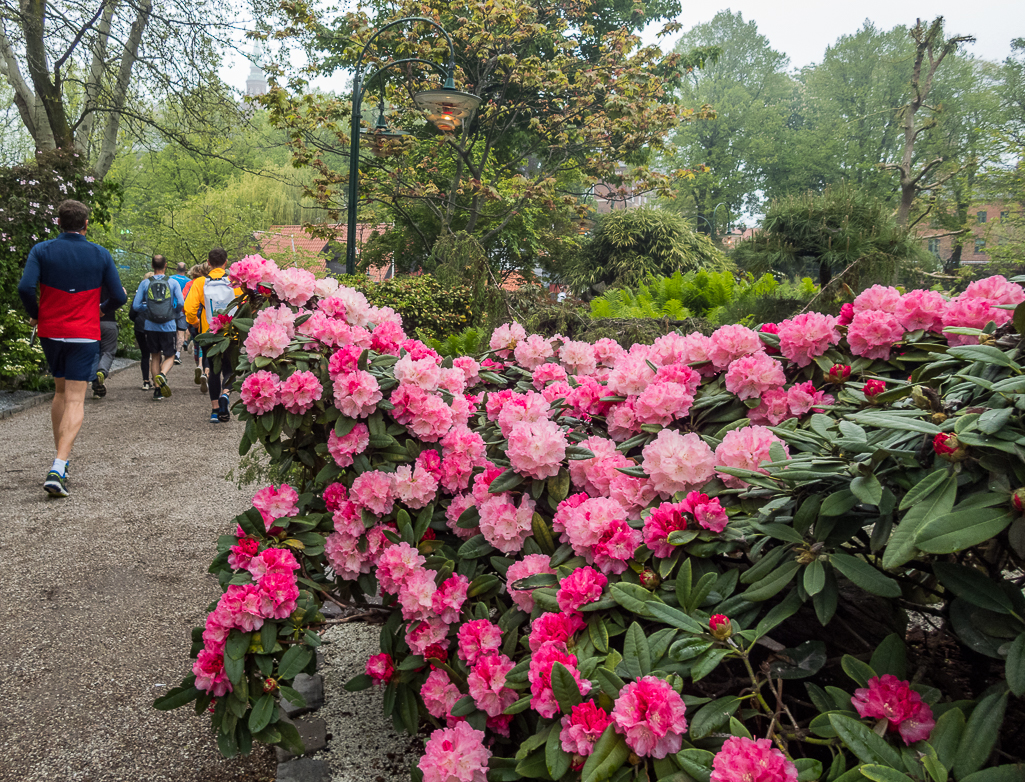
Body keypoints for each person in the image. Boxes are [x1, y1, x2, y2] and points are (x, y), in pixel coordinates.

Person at [17, 199, 127, 497]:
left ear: (58, 222)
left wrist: (38, 313)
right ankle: (59, 463)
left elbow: (25, 288)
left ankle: (60, 461)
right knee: (76, 399)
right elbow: (118, 296)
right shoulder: (100, 254)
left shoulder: (42, 250)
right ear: (86, 224)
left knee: (60, 392)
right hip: (84, 332)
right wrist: (99, 309)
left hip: (51, 332)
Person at [185, 248, 241, 422]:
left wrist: (196, 323)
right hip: (231, 333)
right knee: (229, 369)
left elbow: (189, 309)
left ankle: (215, 411)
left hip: (209, 334)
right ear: (226, 263)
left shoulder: (200, 282)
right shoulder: (235, 281)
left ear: (208, 263)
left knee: (214, 370)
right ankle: (226, 395)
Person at [132, 255, 184, 400]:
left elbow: (136, 306)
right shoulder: (172, 282)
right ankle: (162, 374)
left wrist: (148, 309)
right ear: (166, 265)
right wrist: (173, 311)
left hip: (150, 325)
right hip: (168, 324)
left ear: (152, 265)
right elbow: (180, 302)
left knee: (155, 356)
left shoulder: (145, 283)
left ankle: (157, 390)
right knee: (170, 355)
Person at [90, 286, 125, 398]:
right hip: (109, 321)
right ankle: (102, 371)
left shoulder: (91, 279)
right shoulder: (110, 280)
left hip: (91, 322)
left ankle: (96, 385)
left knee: (93, 353)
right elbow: (121, 295)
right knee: (108, 352)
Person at [129, 272, 154, 390]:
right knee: (156, 353)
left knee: (145, 355)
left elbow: (132, 313)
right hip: (154, 326)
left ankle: (145, 381)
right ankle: (156, 379)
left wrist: (138, 320)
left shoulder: (138, 294)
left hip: (140, 326)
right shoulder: (158, 295)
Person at [170, 262, 190, 365]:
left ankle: (169, 353)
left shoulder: (170, 279)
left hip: (170, 308)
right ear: (186, 270)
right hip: (183, 309)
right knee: (181, 332)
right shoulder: (189, 281)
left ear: (176, 269)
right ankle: (177, 354)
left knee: (170, 330)